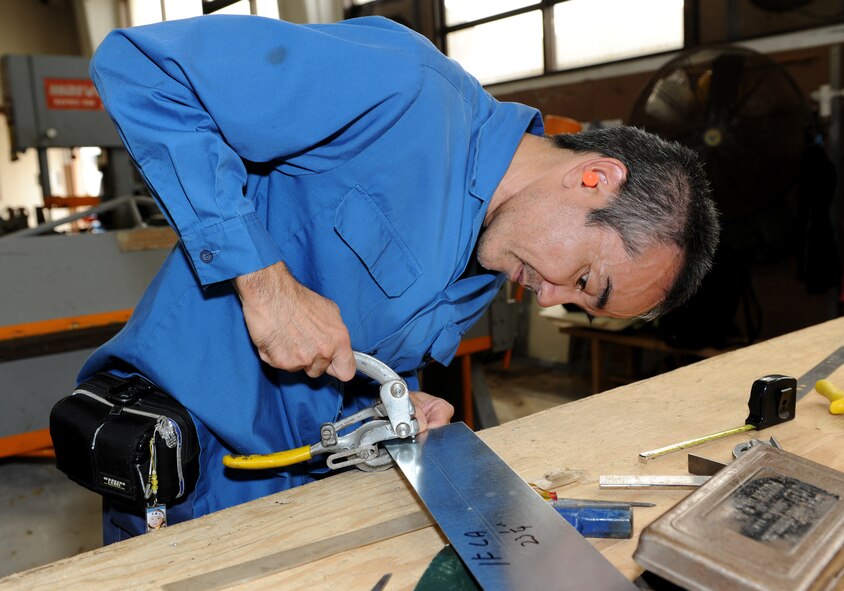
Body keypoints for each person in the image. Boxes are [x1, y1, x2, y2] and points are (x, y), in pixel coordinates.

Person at [84, 13, 719, 542]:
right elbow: (143, 69)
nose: (548, 297)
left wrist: (386, 405)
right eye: (583, 277)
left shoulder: (491, 255)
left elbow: (353, 349)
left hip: (303, 492)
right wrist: (264, 282)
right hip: (185, 477)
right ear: (595, 178)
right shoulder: (402, 92)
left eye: (575, 303)